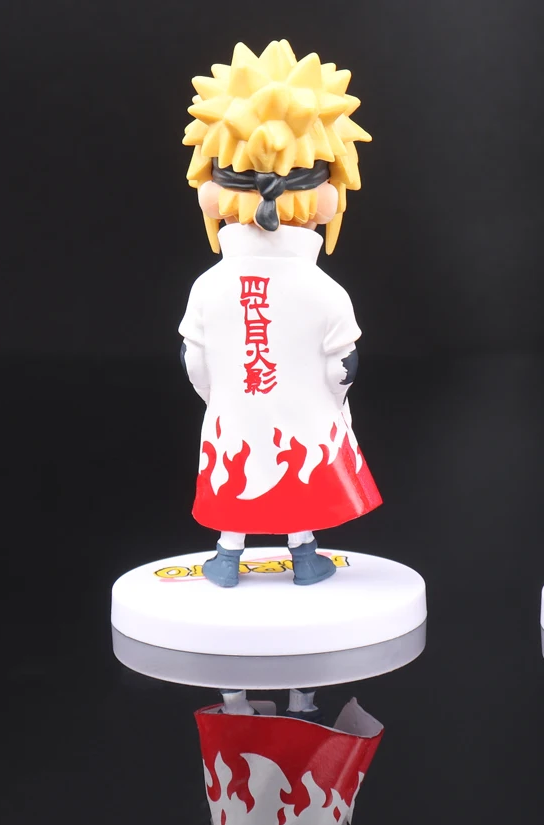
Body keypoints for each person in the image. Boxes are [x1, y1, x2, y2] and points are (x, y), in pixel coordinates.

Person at [178, 40, 381, 587]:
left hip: (232, 413)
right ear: (326, 194)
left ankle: (227, 558)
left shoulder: (208, 286)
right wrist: (333, 402)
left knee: (235, 473)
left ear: (213, 190)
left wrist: (221, 395)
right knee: (300, 473)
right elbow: (343, 368)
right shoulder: (325, 290)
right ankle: (304, 556)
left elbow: (193, 362)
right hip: (304, 416)